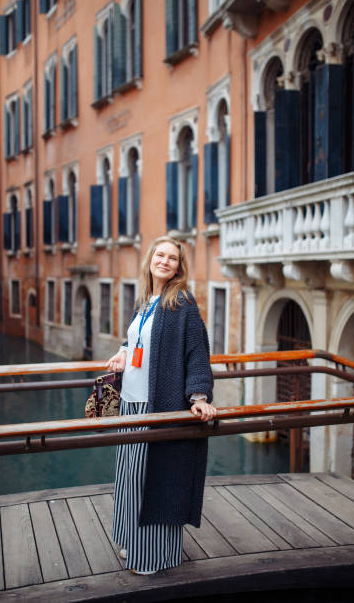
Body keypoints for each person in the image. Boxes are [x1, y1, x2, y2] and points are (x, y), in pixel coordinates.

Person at [106, 236, 216, 575]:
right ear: (150, 259)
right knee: (129, 477)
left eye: (172, 257)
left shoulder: (181, 301)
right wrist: (124, 352)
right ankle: (132, 541)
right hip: (130, 405)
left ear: (179, 266)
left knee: (151, 481)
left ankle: (150, 557)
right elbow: (137, 337)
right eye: (160, 254)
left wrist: (199, 397)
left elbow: (197, 351)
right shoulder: (146, 299)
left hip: (157, 407)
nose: (165, 261)